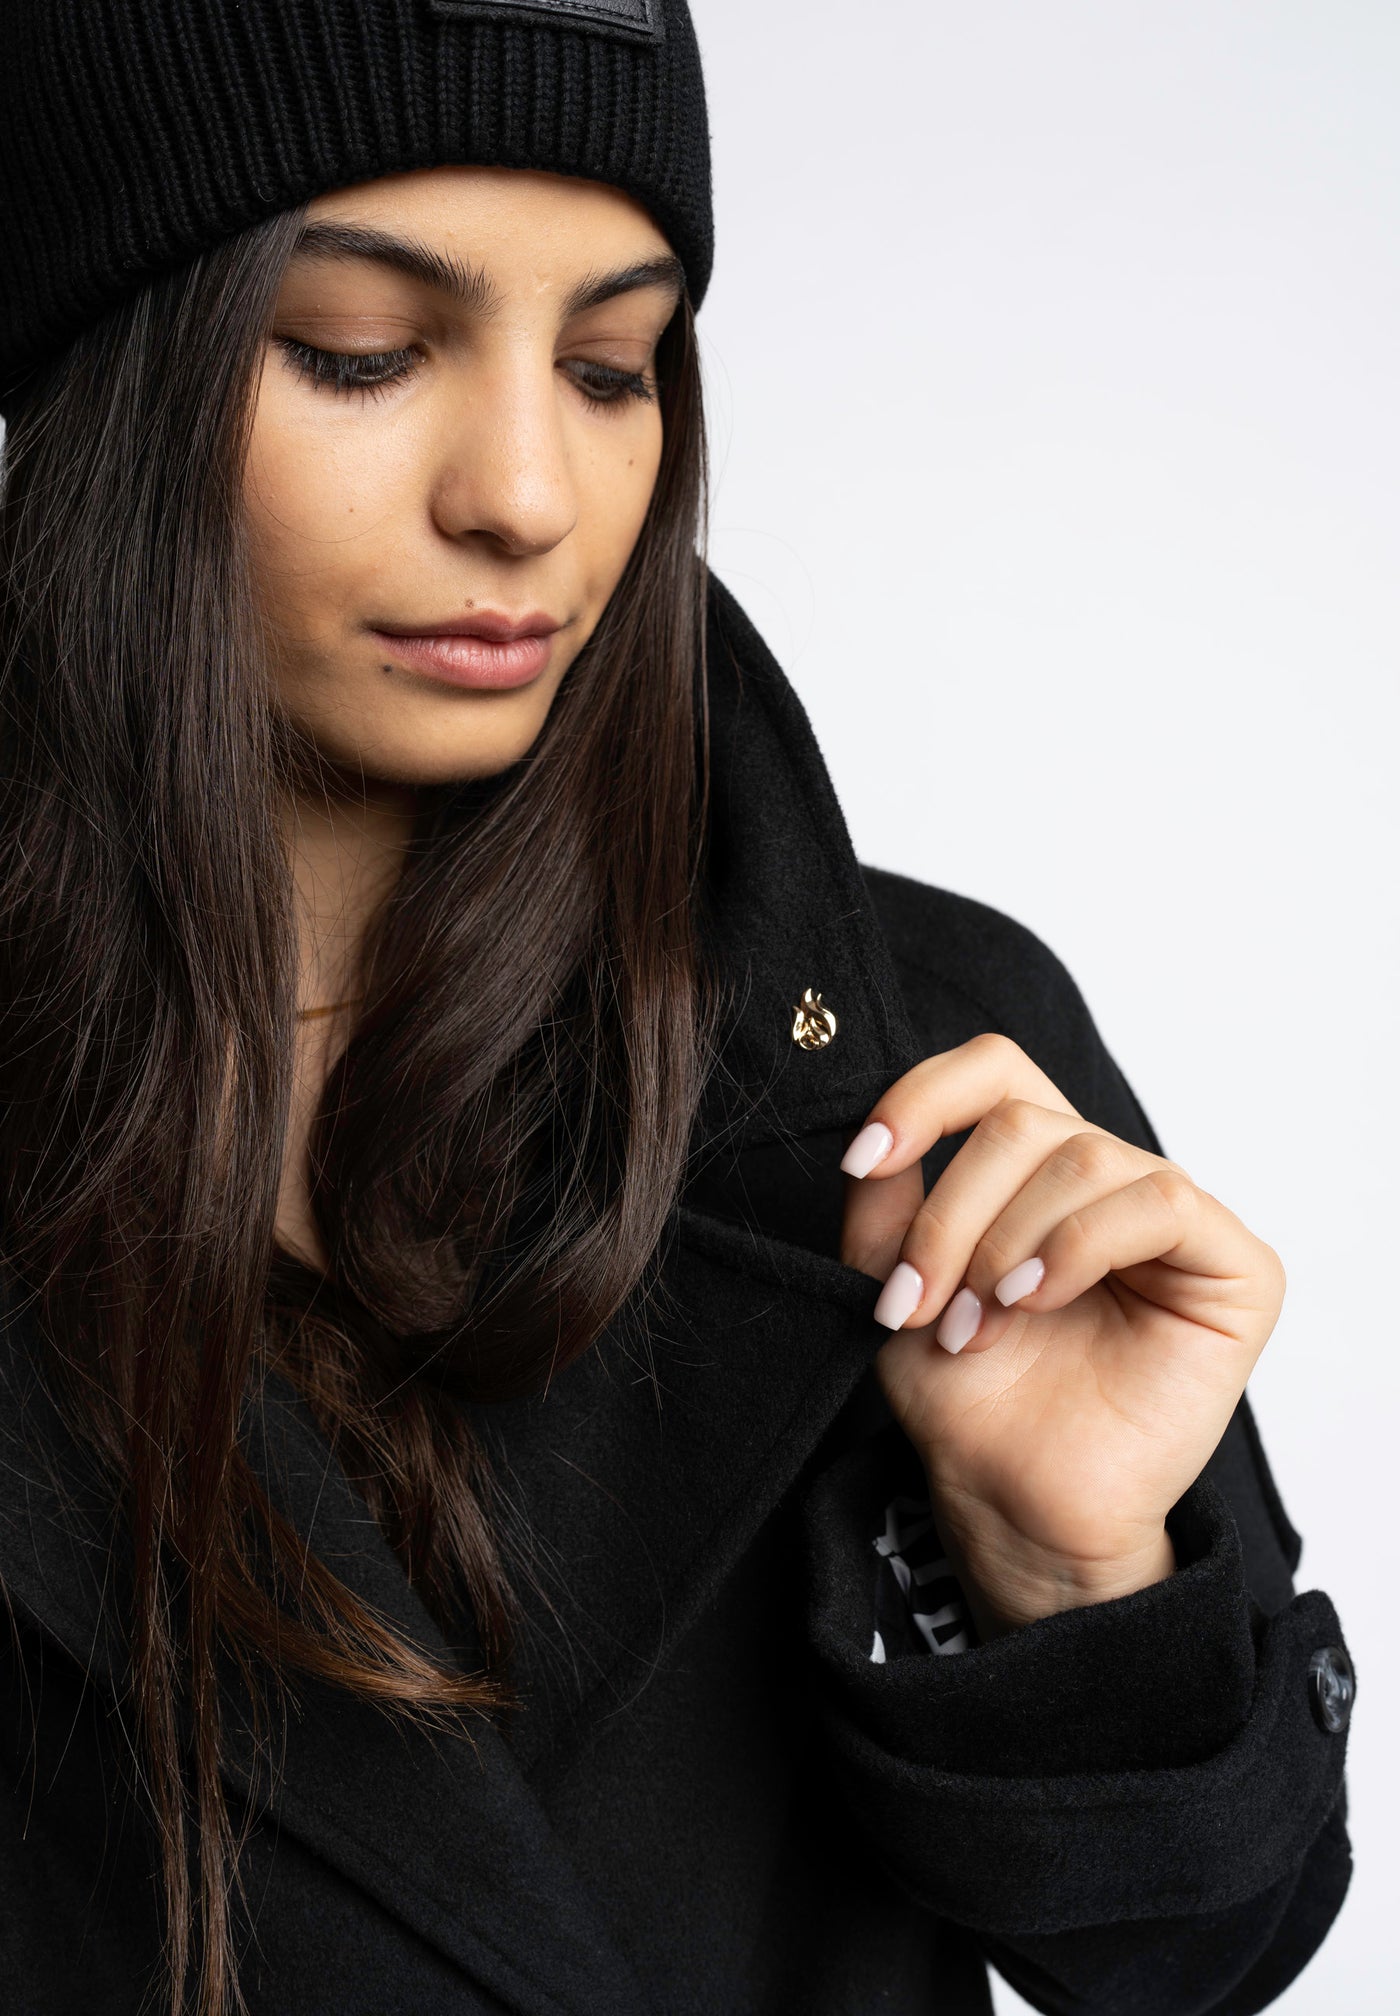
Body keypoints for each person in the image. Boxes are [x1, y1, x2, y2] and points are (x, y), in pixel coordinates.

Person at [0, 3, 1354, 2013]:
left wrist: (1066, 1570)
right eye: (360, 350)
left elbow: (1198, 1958)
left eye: (610, 367)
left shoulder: (920, 1069)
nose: (527, 494)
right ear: (106, 374)